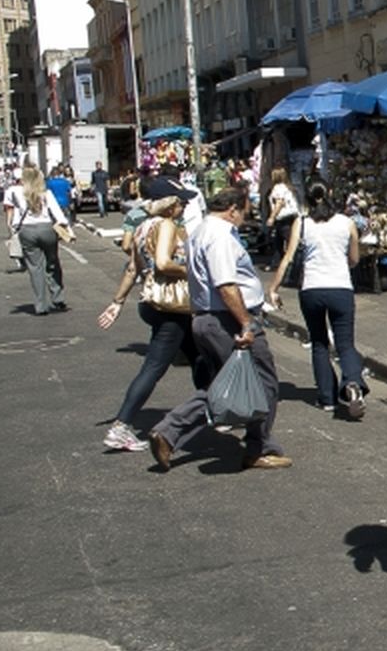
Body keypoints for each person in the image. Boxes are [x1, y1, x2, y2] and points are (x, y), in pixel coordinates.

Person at [148, 188, 292, 472]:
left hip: (206, 318)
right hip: (226, 319)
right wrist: (245, 323)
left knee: (222, 386)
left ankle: (169, 432)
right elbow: (225, 284)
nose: (245, 217)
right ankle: (257, 448)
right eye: (245, 211)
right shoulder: (220, 236)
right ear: (233, 209)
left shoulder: (200, 231)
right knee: (263, 383)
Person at [97, 186, 210, 452]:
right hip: (170, 305)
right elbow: (162, 263)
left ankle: (211, 407)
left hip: (153, 302)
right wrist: (193, 271)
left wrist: (117, 301)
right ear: (170, 205)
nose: (184, 208)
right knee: (154, 367)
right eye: (181, 203)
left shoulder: (142, 227)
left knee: (198, 355)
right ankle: (121, 425)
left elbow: (132, 268)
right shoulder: (167, 225)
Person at [267, 178, 367, 417]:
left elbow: (288, 258)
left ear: (307, 198)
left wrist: (273, 289)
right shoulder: (347, 223)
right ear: (330, 192)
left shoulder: (300, 223)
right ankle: (352, 383)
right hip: (340, 288)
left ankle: (327, 398)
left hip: (311, 289)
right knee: (345, 344)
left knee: (319, 343)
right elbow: (354, 259)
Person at [9, 164, 70, 315]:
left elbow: (15, 218)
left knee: (35, 268)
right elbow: (58, 214)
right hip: (46, 229)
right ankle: (58, 298)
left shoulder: (18, 193)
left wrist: (14, 229)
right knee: (53, 262)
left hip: (27, 232)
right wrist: (67, 228)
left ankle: (40, 305)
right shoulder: (46, 194)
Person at [266, 168, 299, 271]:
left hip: (284, 217)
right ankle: (277, 263)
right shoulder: (287, 187)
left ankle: (293, 263)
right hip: (290, 216)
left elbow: (279, 203)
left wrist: (272, 217)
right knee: (279, 241)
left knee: (287, 240)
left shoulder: (278, 188)